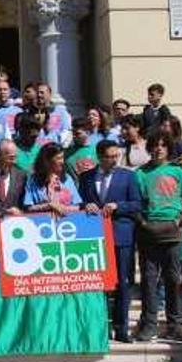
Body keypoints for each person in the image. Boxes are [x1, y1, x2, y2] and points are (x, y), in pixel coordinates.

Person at [134, 130, 182, 343]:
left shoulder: (178, 172)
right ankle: (149, 325)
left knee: (173, 280)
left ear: (169, 148)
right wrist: (142, 222)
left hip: (173, 235)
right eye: (155, 144)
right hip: (148, 235)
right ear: (149, 147)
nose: (158, 148)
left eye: (163, 145)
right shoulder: (140, 173)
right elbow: (134, 204)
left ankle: (175, 325)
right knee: (149, 282)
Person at [80, 140, 143, 343]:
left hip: (121, 236)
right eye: (109, 156)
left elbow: (137, 204)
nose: (114, 160)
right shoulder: (86, 177)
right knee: (99, 284)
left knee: (123, 283)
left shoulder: (128, 176)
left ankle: (121, 328)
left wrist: (118, 205)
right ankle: (102, 326)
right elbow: (78, 201)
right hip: (94, 237)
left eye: (117, 156)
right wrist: (85, 205)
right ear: (99, 156)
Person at [22, 142, 82, 216]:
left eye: (62, 157)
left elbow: (77, 206)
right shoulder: (33, 180)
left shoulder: (67, 179)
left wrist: (62, 208)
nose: (62, 162)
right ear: (47, 161)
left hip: (68, 223)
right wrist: (49, 206)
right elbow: (28, 207)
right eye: (58, 158)